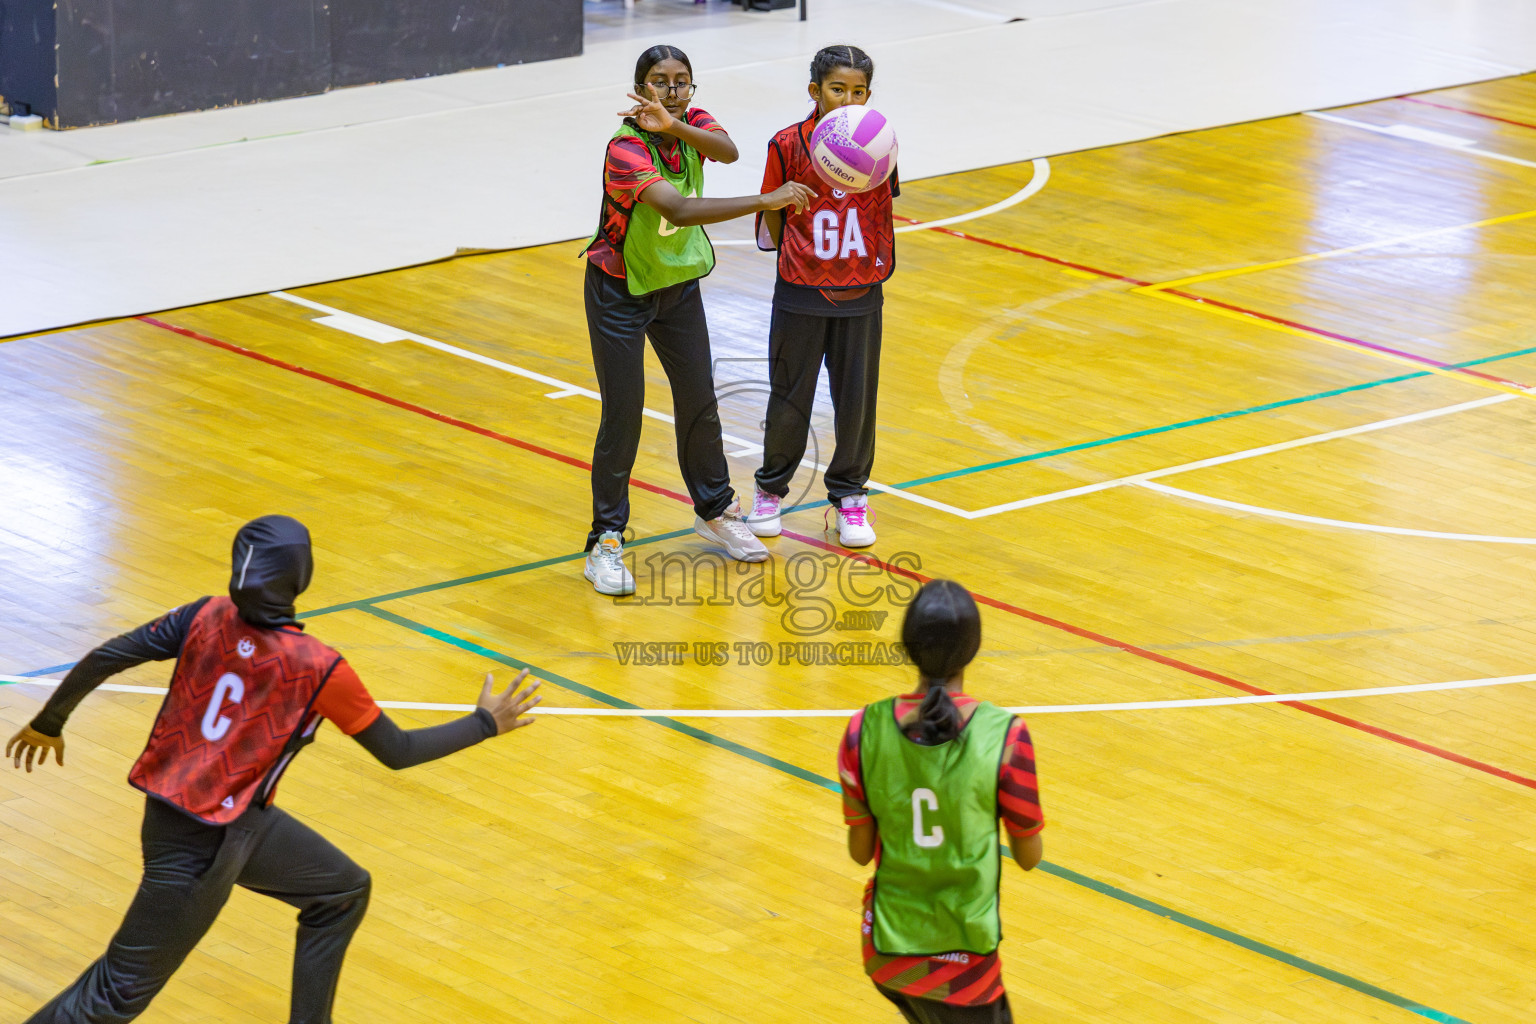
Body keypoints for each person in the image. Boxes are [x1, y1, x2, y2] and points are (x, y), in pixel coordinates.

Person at [4, 515, 542, 1024]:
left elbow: (109, 655)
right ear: (299, 578)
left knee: (341, 891)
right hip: (204, 846)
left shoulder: (204, 615)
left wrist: (50, 722)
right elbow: (396, 750)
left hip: (219, 820)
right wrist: (485, 724)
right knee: (117, 990)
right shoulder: (319, 667)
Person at [580, 43, 816, 596]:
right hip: (619, 291)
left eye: (682, 81)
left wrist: (677, 125)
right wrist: (767, 200)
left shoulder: (693, 125)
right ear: (639, 90)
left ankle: (713, 511)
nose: (673, 90)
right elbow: (679, 209)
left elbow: (728, 151)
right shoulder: (625, 150)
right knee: (623, 416)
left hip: (677, 286)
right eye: (659, 81)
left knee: (698, 400)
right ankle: (606, 540)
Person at [837, 580, 1044, 1023]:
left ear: (908, 646)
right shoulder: (1005, 735)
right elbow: (1029, 856)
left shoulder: (862, 729)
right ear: (974, 649)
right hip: (961, 963)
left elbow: (859, 853)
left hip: (886, 950)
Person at [749, 44, 898, 549]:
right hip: (800, 291)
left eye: (858, 91)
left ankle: (850, 497)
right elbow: (771, 213)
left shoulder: (881, 143)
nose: (847, 98)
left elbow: (881, 209)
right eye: (838, 89)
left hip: (860, 292)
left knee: (856, 402)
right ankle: (770, 490)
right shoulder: (788, 144)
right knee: (790, 397)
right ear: (815, 91)